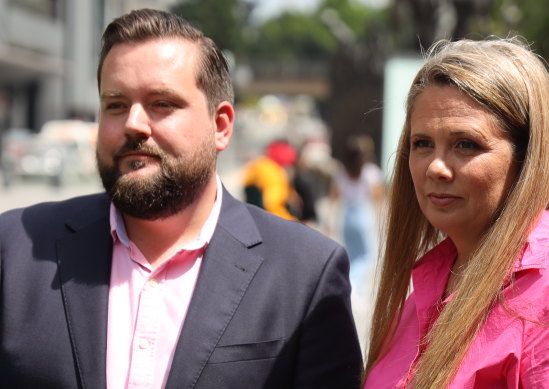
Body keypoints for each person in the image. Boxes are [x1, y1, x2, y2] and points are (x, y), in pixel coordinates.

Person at [0, 9, 362, 388]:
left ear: (220, 126)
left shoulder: (304, 272)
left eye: (162, 104)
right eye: (116, 105)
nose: (133, 124)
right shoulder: (17, 248)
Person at [363, 37, 549, 388]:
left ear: (528, 157)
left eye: (466, 144)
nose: (436, 167)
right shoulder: (433, 276)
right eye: (422, 144)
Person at [328, 135, 384, 287]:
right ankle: (353, 283)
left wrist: (329, 224)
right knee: (367, 256)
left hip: (347, 216)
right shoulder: (371, 172)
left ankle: (349, 283)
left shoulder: (341, 173)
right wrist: (380, 222)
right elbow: (377, 199)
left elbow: (334, 200)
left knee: (351, 255)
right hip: (363, 214)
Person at [243, 139, 299, 221]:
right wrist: (294, 223)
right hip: (267, 222)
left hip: (255, 219)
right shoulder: (271, 172)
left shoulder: (261, 164)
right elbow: (272, 205)